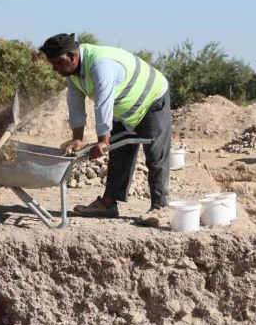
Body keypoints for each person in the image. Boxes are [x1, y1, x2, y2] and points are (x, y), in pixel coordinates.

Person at [39, 33, 171, 225]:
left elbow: (103, 102)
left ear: (72, 56)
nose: (54, 68)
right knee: (118, 152)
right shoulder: (73, 75)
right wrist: (78, 137)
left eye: (57, 63)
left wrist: (103, 140)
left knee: (155, 154)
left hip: (151, 98)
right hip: (124, 107)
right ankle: (109, 203)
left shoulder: (101, 64)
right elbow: (75, 105)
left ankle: (160, 207)